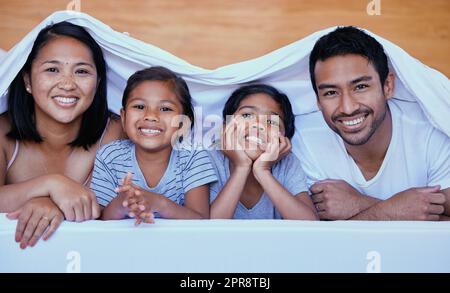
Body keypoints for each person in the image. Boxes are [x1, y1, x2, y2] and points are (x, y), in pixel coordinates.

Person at [296, 26, 450, 220]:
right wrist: (393, 211)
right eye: (331, 93)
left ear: (388, 86)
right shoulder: (304, 140)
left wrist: (363, 205)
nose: (348, 108)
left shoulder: (432, 133)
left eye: (360, 87)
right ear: (318, 100)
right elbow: (313, 242)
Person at [0, 22, 124, 249]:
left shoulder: (116, 133)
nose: (67, 84)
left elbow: (121, 209)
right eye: (52, 69)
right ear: (27, 80)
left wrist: (55, 205)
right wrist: (52, 185)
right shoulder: (1, 132)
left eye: (82, 71)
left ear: (97, 83)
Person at [91, 66, 217, 223]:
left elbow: (201, 221)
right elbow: (99, 221)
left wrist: (159, 203)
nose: (150, 116)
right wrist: (123, 203)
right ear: (123, 117)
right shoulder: (109, 156)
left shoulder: (193, 157)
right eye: (139, 106)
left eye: (165, 108)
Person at [208, 84, 318, 220]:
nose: (258, 125)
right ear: (225, 127)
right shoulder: (209, 159)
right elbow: (207, 228)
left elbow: (310, 224)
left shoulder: (287, 163)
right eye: (247, 115)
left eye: (271, 122)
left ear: (284, 139)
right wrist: (241, 167)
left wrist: (263, 170)